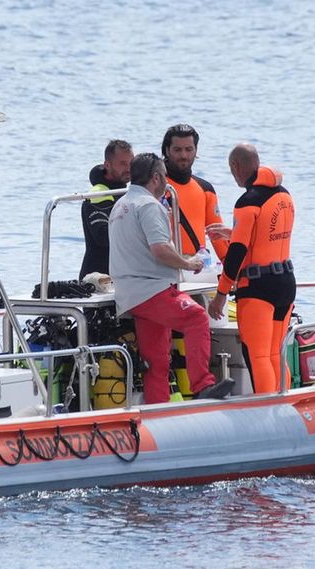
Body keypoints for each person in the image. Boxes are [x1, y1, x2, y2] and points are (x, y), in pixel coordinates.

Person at [108, 152, 235, 403]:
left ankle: (159, 409)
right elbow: (160, 249)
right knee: (197, 317)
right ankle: (202, 385)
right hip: (152, 290)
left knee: (157, 361)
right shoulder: (149, 206)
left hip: (130, 294)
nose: (167, 182)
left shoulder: (120, 205)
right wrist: (187, 263)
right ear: (156, 178)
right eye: (165, 176)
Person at [210, 144, 296, 394]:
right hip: (286, 283)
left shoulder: (247, 202)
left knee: (258, 356)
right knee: (275, 353)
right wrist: (234, 231)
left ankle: (267, 409)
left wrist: (221, 294)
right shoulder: (284, 195)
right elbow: (270, 237)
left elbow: (236, 254)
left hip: (258, 288)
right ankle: (285, 403)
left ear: (236, 167)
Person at [161, 124, 229, 264]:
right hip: (163, 269)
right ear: (167, 151)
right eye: (177, 150)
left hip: (197, 269)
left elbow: (218, 238)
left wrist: (233, 270)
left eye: (189, 149)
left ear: (196, 151)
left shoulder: (205, 189)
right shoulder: (155, 187)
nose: (183, 155)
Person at [80, 139, 133, 279]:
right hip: (98, 276)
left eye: (131, 163)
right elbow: (102, 237)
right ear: (107, 165)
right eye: (122, 163)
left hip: (118, 272)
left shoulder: (124, 192)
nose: (128, 168)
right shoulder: (99, 193)